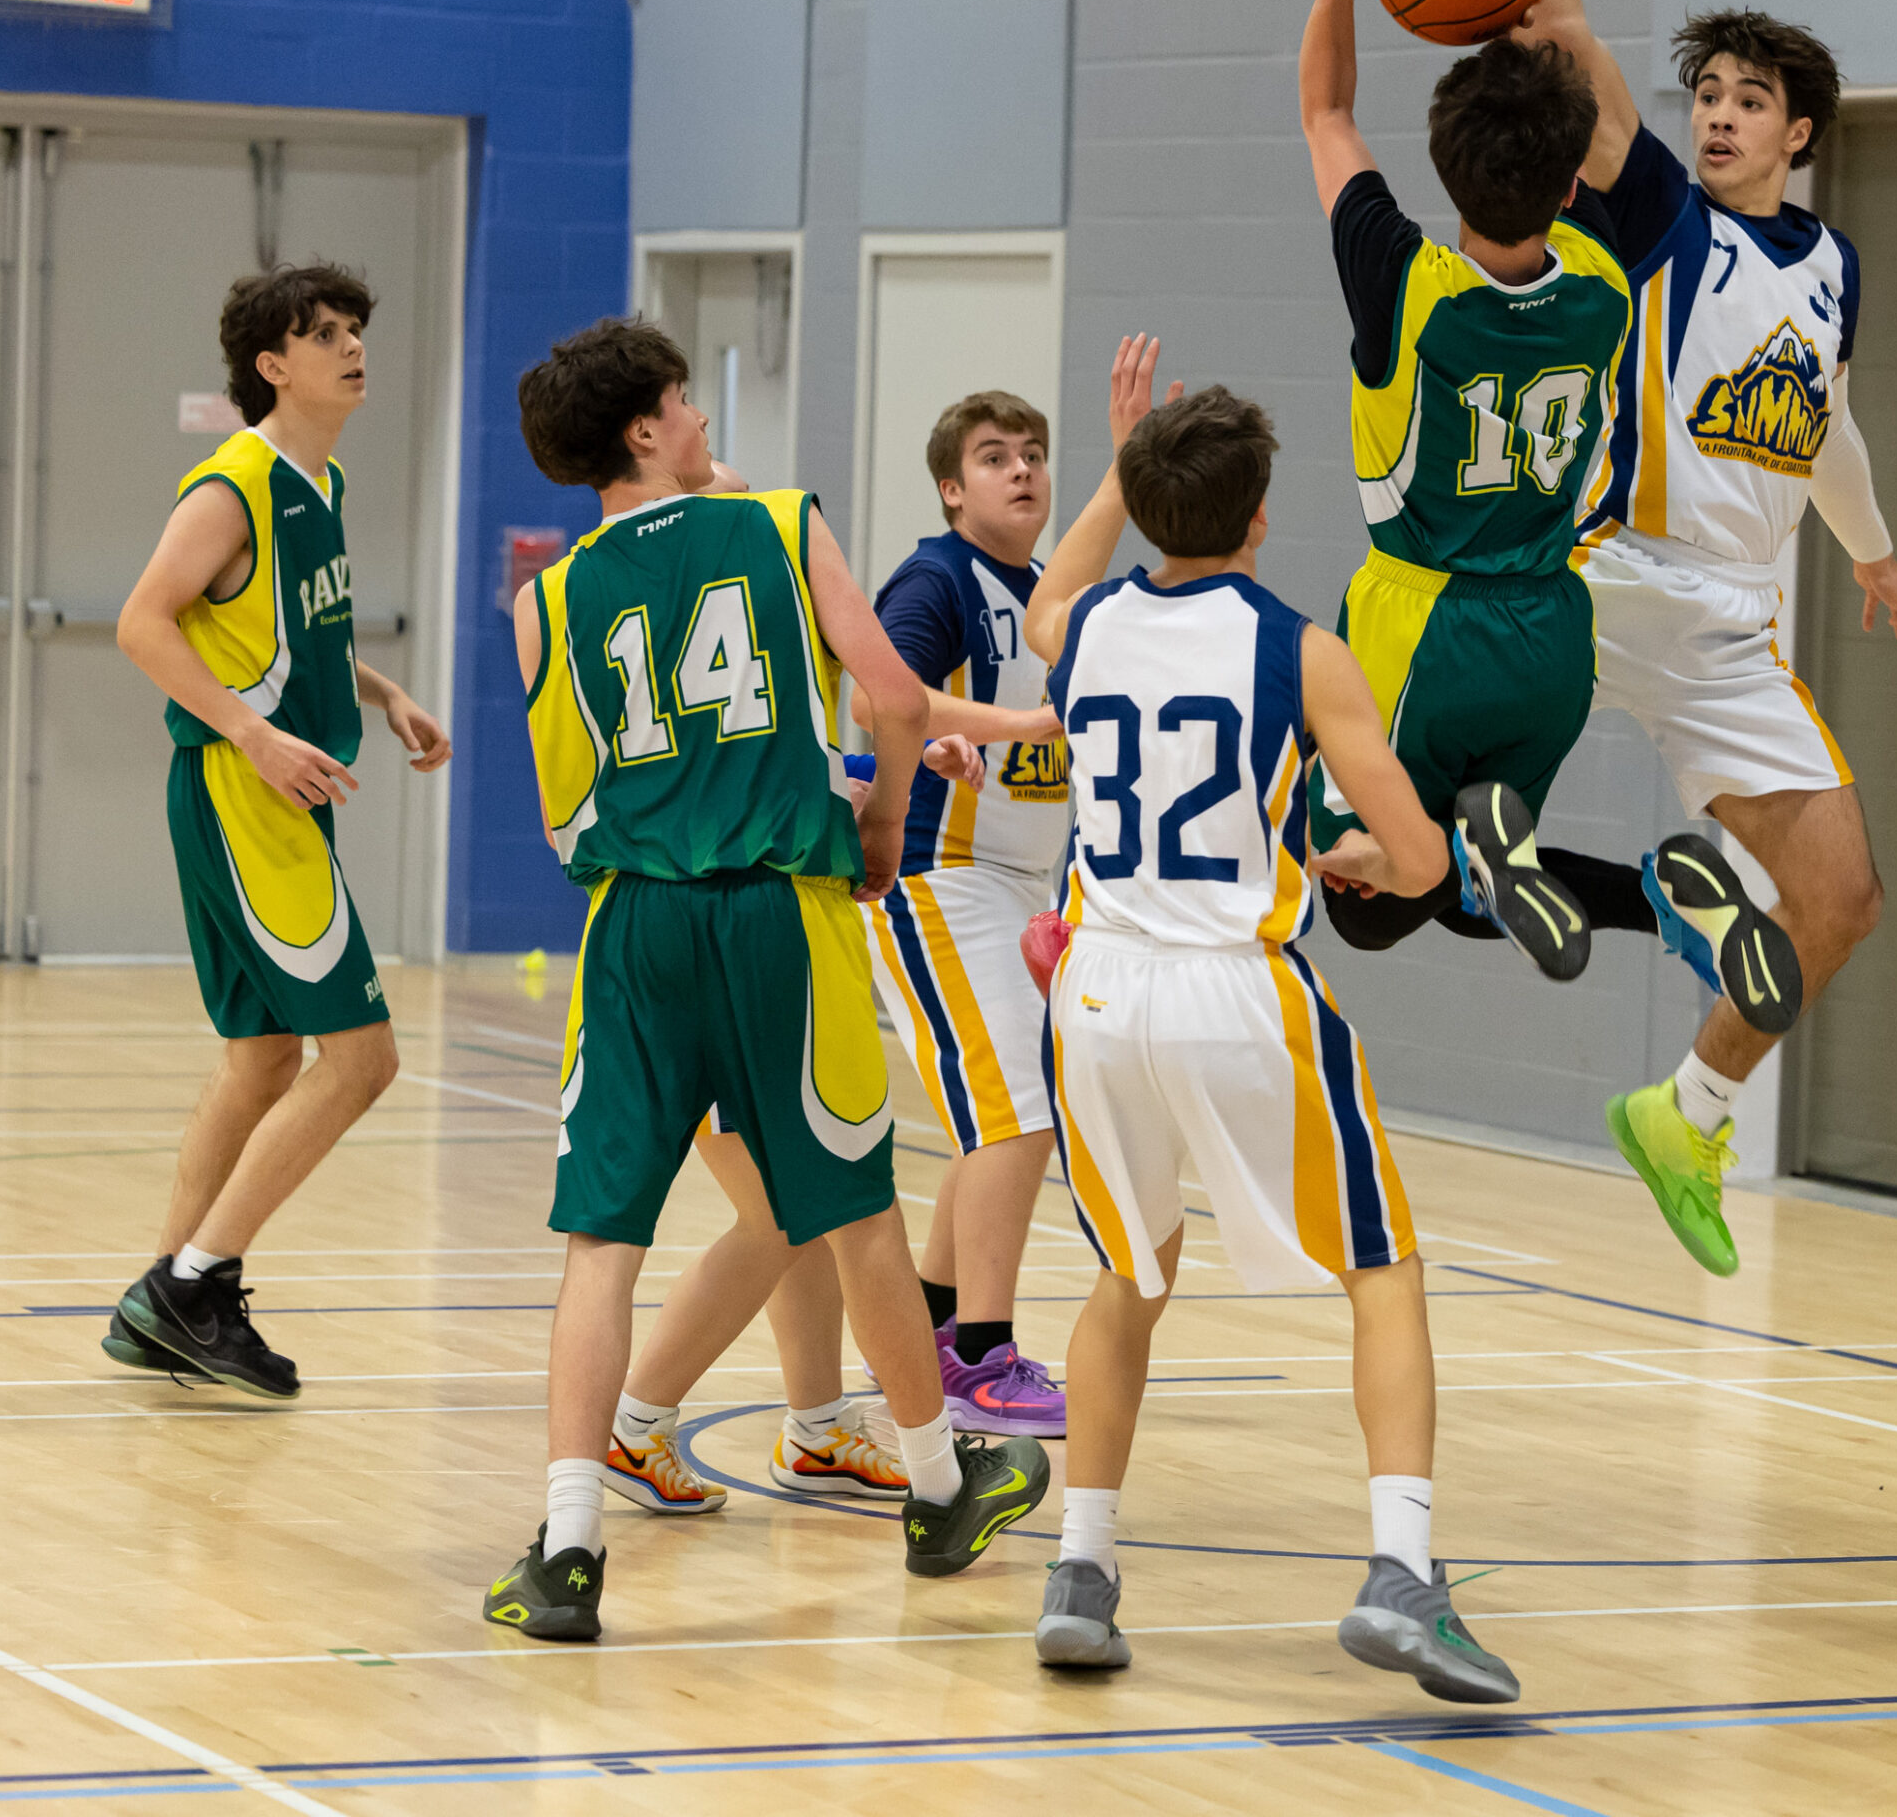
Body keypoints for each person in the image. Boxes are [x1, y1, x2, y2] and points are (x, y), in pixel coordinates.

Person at [1417, 0, 1897, 1276]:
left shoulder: (1832, 268)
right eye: (1706, 92)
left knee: (1842, 899)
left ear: (1800, 132)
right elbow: (1564, 32)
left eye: (1747, 99)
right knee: (1407, 826)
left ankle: (1686, 1111)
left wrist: (1873, 551)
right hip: (1603, 575)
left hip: (1728, 619)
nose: (1716, 113)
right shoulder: (1663, 216)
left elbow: (1825, 424)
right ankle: (1429, 858)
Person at [483, 318, 1045, 1641]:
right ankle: (937, 1487)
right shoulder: (782, 524)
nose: (700, 417)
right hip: (782, 913)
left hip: (631, 924)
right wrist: (883, 819)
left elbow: (565, 814)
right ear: (645, 428)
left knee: (600, 1245)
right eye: (685, 400)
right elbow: (896, 700)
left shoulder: (541, 602)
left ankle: (567, 1548)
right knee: (856, 1208)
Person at [1025, 335, 1518, 1708]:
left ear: (1145, 501)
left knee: (1128, 1274)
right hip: (1233, 990)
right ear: (1257, 515)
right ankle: (1403, 1571)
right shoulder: (1302, 650)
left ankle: (1080, 1572)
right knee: (1383, 1265)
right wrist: (1352, 856)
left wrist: (1119, 467)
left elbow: (1052, 590)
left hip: (1096, 990)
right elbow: (1417, 862)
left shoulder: (1085, 630)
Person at [1298, 0, 1793, 1008]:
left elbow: (1326, 112)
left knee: (1366, 889)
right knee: (1460, 871)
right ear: (1573, 179)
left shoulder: (1405, 285)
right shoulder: (1604, 273)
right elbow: (1574, 70)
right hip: (1551, 631)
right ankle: (1657, 897)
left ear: (1445, 169)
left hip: (1423, 626)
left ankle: (1544, 870)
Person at [104, 264, 449, 1400]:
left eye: (356, 329)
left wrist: (383, 692)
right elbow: (143, 625)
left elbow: (290, 636)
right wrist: (254, 736)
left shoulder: (321, 479)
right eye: (326, 333)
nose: (352, 347)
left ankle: (161, 1298)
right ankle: (193, 1284)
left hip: (264, 793)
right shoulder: (232, 486)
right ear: (272, 365)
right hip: (242, 795)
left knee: (262, 1057)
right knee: (364, 1058)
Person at [850, 393, 1073, 1434]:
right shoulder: (938, 577)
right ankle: (982, 1354)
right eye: (994, 457)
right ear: (951, 487)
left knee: (1008, 1113)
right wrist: (1017, 721)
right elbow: (879, 696)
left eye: (1032, 453)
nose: (1021, 470)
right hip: (937, 873)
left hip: (1022, 883)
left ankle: (933, 1330)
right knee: (1017, 1107)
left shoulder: (1048, 591)